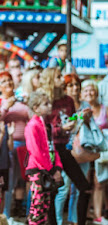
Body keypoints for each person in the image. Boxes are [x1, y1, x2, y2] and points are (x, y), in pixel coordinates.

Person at [38, 67, 91, 225]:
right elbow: (41, 130)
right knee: (52, 191)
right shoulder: (44, 101)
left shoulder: (68, 100)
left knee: (84, 187)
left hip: (64, 148)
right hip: (50, 150)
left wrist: (78, 118)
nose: (62, 79)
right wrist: (61, 129)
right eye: (59, 76)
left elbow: (72, 121)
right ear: (50, 80)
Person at [54, 74, 99, 225]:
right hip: (67, 149)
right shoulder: (60, 103)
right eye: (71, 85)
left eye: (76, 84)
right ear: (65, 88)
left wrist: (85, 118)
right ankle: (58, 221)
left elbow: (90, 126)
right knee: (63, 188)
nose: (74, 88)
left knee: (80, 188)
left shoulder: (85, 104)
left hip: (83, 149)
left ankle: (74, 220)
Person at [0, 71, 30, 217]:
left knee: (22, 180)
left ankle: (22, 211)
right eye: (3, 82)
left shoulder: (22, 100)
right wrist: (6, 107)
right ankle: (5, 215)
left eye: (9, 80)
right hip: (6, 145)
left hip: (24, 144)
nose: (8, 83)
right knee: (8, 181)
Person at [25, 91, 63, 225]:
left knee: (45, 206)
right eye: (45, 104)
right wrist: (51, 170)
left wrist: (57, 167)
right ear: (35, 108)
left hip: (48, 169)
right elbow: (35, 151)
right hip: (37, 171)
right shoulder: (32, 125)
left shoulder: (46, 125)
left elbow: (52, 147)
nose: (49, 106)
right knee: (37, 205)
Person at [81, 79, 108, 223]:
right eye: (86, 90)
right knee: (84, 182)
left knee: (99, 182)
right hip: (84, 152)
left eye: (92, 90)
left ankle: (98, 215)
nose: (89, 93)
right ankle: (83, 213)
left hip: (100, 152)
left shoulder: (104, 109)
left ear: (97, 92)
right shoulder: (79, 109)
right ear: (81, 94)